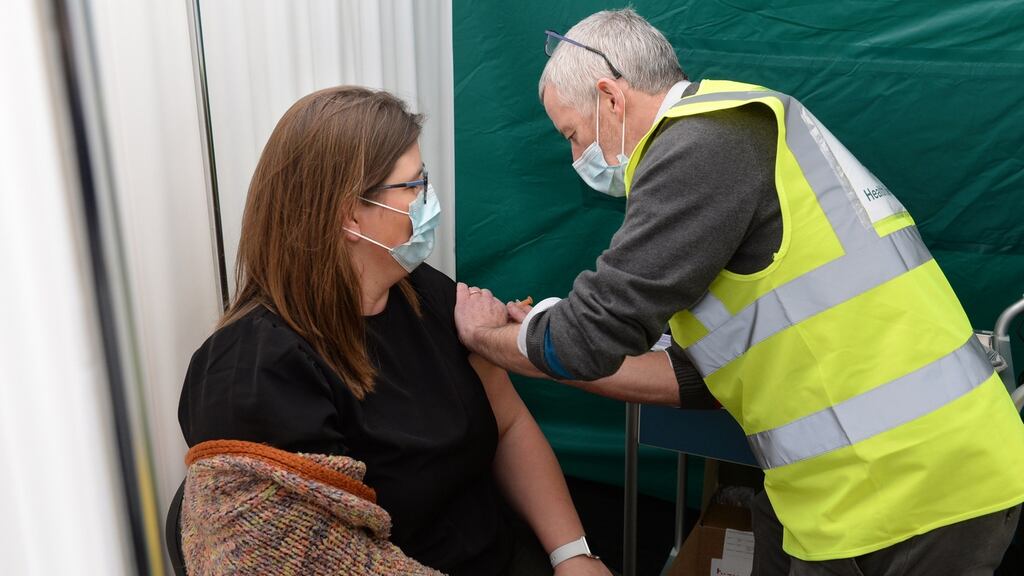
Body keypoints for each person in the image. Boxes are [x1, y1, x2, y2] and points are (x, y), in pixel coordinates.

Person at [453, 8, 1024, 576]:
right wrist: (544, 339)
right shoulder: (736, 123)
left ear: (610, 96)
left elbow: (588, 338)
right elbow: (699, 374)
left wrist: (495, 335)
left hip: (916, 482)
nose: (576, 156)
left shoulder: (701, 146)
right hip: (858, 486)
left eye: (572, 134)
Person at [178, 86, 611, 576]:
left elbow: (507, 420)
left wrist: (571, 552)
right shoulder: (254, 373)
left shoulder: (421, 291)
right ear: (347, 215)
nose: (430, 199)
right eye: (414, 185)